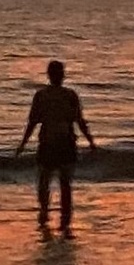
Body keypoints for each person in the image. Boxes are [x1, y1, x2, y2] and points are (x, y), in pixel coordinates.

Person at [16, 60, 95, 232]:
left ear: (49, 75)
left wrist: (23, 144)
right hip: (64, 142)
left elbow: (32, 122)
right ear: (62, 75)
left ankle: (46, 212)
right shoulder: (69, 95)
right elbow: (80, 122)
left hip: (49, 143)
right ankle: (64, 220)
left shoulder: (42, 96)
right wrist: (90, 141)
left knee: (45, 181)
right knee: (64, 183)